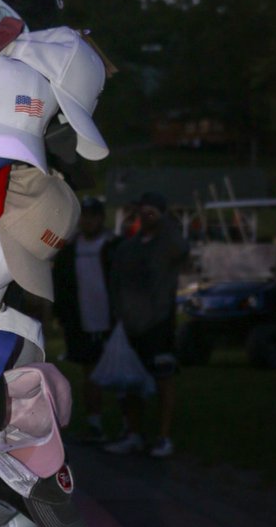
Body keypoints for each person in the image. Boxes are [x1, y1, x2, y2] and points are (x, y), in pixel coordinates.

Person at [105, 191, 189, 458]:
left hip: (159, 323)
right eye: (143, 210)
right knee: (130, 382)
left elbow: (182, 249)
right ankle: (133, 433)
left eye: (152, 210)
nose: (146, 214)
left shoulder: (167, 244)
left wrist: (165, 222)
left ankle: (163, 437)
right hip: (130, 326)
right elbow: (115, 282)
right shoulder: (128, 248)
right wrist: (118, 314)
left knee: (164, 379)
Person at [52, 195, 117, 442]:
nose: (87, 222)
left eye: (92, 216)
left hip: (111, 320)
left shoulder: (112, 247)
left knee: (114, 368)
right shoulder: (69, 252)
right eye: (84, 217)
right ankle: (95, 422)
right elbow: (61, 286)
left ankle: (126, 424)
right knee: (89, 372)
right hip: (82, 320)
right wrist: (62, 315)